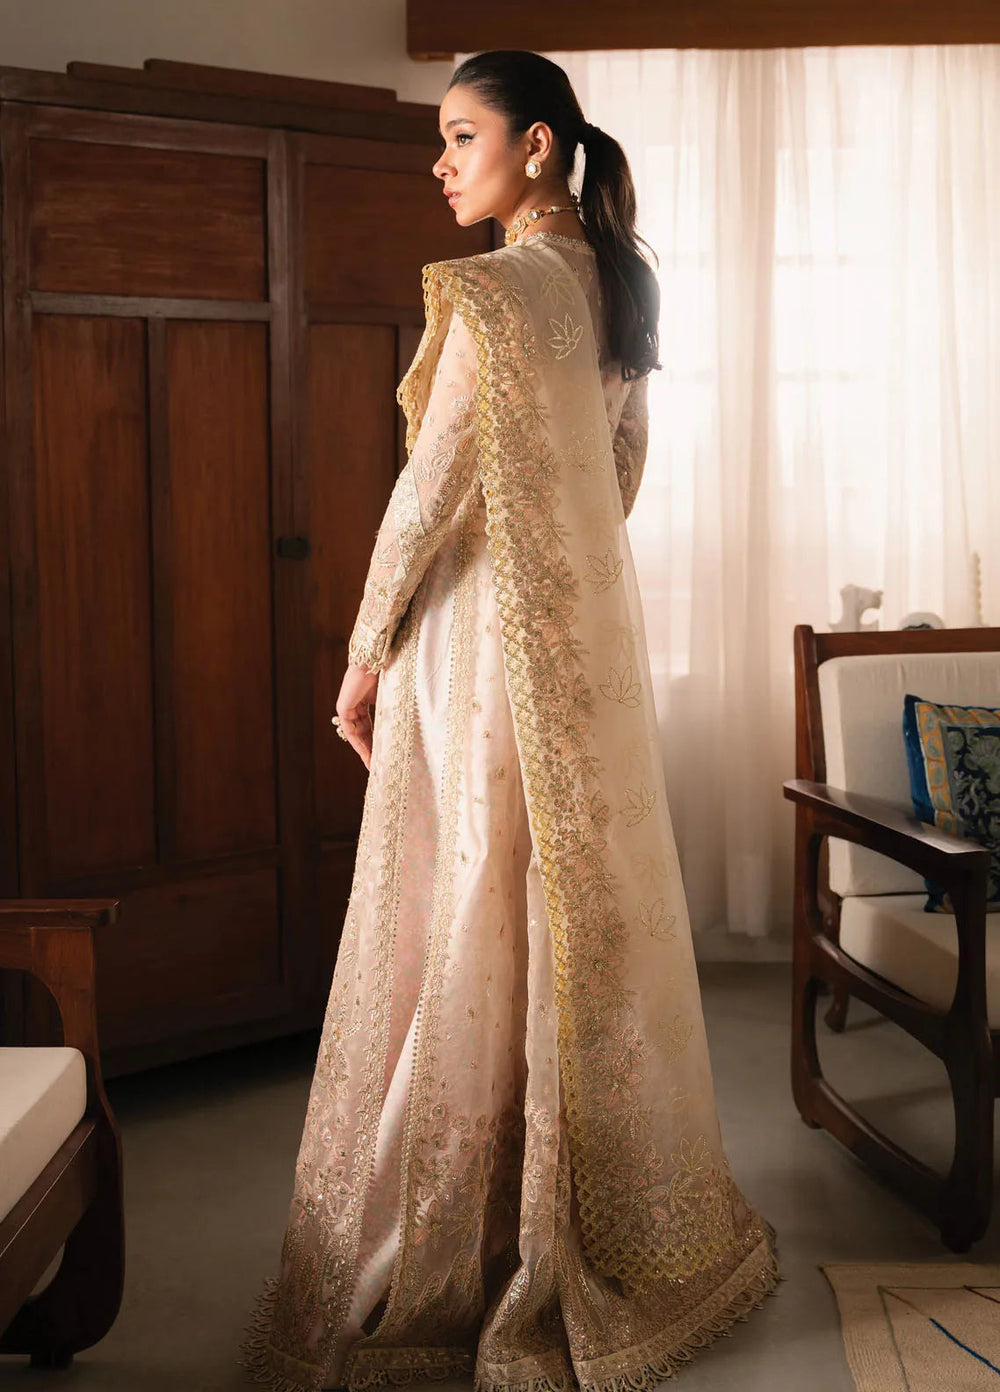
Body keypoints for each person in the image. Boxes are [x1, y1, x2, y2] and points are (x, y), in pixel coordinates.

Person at [241, 48, 778, 1392]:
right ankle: (560, 1216)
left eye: (461, 136)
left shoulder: (492, 293)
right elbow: (621, 473)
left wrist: (364, 653)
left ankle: (467, 1238)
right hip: (584, 641)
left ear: (538, 145)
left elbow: (428, 495)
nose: (440, 165)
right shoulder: (617, 286)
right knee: (551, 911)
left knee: (462, 901)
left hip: (478, 640)